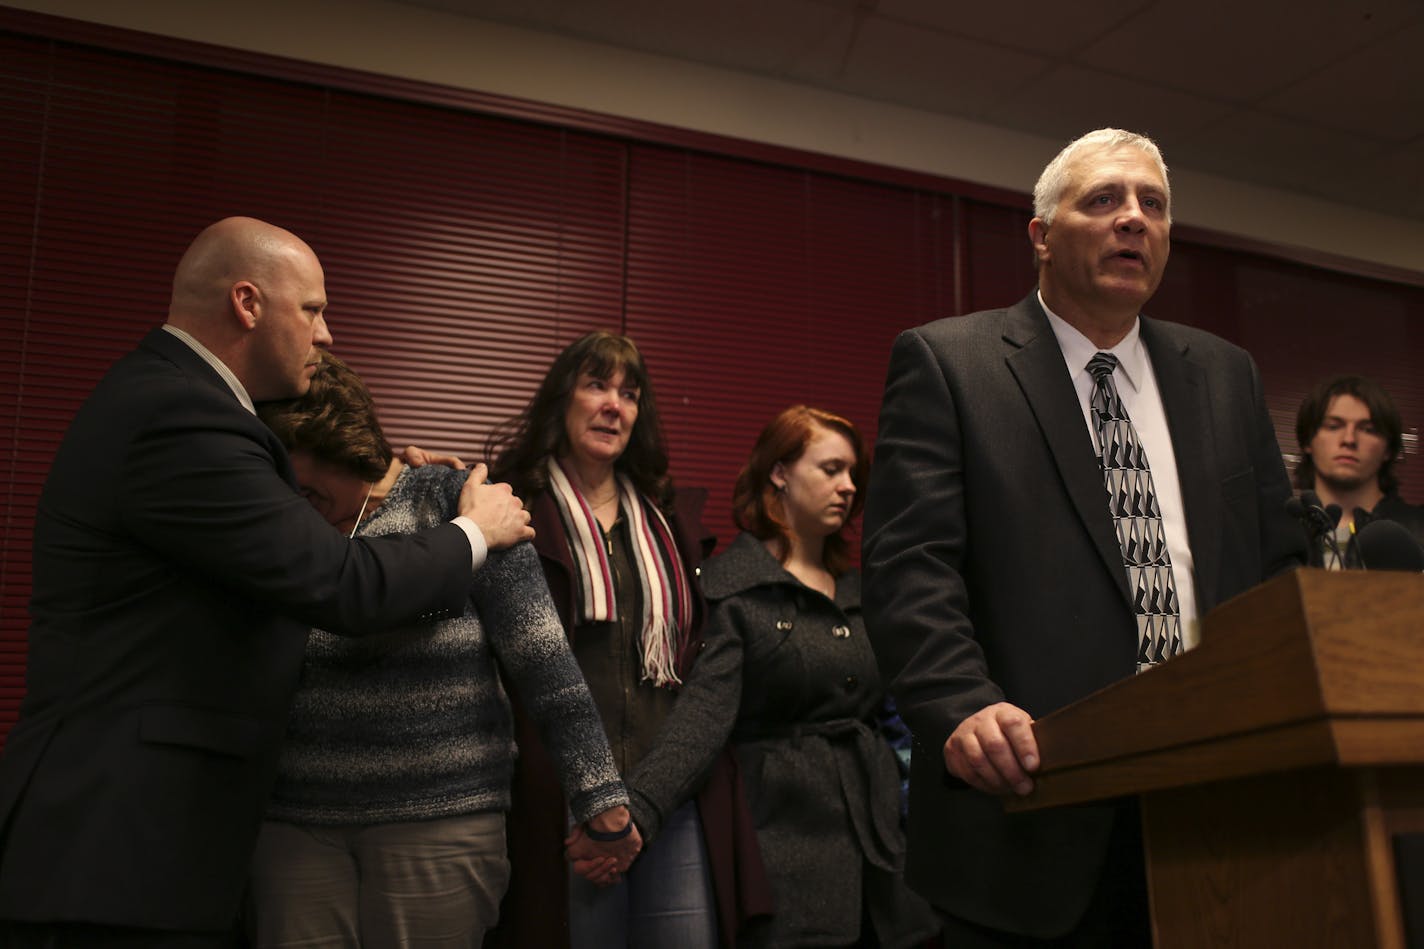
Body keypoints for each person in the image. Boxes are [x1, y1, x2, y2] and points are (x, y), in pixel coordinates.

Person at [0, 217, 532, 948]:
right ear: (248, 303)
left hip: (133, 847)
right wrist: (476, 527)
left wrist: (408, 485)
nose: (327, 334)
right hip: (117, 849)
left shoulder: (175, 403)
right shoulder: (180, 415)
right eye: (312, 309)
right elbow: (340, 583)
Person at [861, 129, 1305, 946]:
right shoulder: (951, 363)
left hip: (1219, 811)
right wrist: (960, 704)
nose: (1133, 219)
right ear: (1040, 235)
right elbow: (908, 566)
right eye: (1103, 199)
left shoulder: (1225, 375)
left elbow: (1277, 570)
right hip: (1032, 817)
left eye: (1153, 205)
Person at [245, 353, 638, 947]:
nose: (299, 504)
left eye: (310, 489)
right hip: (295, 823)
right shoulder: (279, 521)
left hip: (441, 817)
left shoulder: (458, 502)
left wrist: (600, 794)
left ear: (353, 453)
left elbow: (544, 661)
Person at [484, 331, 769, 949]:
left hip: (666, 796)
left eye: (630, 393)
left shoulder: (671, 526)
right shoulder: (513, 511)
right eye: (596, 385)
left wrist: (646, 804)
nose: (615, 405)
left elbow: (698, 675)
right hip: (556, 802)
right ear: (562, 398)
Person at [698, 405, 939, 948]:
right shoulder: (731, 589)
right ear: (779, 472)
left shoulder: (862, 592)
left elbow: (898, 716)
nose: (849, 486)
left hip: (880, 847)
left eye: (854, 474)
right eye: (831, 469)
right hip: (782, 842)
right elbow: (700, 725)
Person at [1294, 374, 1424, 567]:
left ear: (1388, 449)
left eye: (1368, 429)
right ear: (1307, 441)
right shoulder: (1279, 536)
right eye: (1333, 426)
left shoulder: (1419, 528)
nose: (1349, 439)